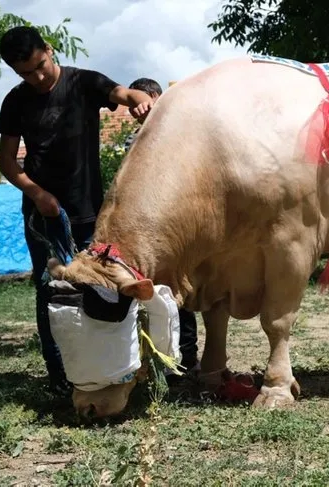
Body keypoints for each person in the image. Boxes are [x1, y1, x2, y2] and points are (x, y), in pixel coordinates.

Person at [0, 25, 155, 396]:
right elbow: (7, 162)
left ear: (49, 50)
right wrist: (37, 194)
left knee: (106, 289)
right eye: (25, 73)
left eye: (40, 65)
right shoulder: (16, 101)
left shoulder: (83, 83)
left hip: (90, 215)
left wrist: (140, 100)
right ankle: (60, 376)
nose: (36, 77)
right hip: (44, 218)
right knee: (51, 292)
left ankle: (111, 366)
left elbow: (121, 93)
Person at [123, 77, 200, 376]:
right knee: (147, 298)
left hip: (177, 231)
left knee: (181, 293)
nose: (137, 112)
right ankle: (152, 359)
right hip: (143, 233)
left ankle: (188, 359)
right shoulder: (134, 141)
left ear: (156, 97)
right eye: (133, 108)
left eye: (142, 102)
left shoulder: (182, 135)